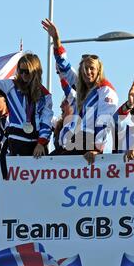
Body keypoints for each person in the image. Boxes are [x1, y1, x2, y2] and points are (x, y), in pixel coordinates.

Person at [42, 19, 118, 164]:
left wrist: (97, 149)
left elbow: (105, 121)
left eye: (92, 68)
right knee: (45, 166)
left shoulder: (106, 90)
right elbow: (64, 68)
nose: (88, 72)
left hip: (87, 147)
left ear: (99, 70)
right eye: (84, 68)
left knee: (50, 168)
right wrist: (57, 40)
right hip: (72, 143)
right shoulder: (82, 87)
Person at [0, 40, 53, 158]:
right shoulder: (10, 85)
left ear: (36, 72)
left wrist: (41, 143)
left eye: (27, 72)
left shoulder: (44, 95)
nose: (23, 75)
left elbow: (46, 121)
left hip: (36, 145)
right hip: (16, 141)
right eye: (20, 71)